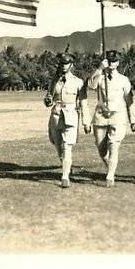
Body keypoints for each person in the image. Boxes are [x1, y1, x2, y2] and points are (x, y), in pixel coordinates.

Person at [86, 50, 135, 187]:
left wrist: (133, 119)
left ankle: (110, 175)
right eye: (109, 61)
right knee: (101, 147)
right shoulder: (101, 77)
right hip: (101, 115)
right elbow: (91, 86)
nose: (111, 64)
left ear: (118, 63)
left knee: (113, 145)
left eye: (114, 61)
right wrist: (99, 68)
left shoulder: (123, 80)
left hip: (117, 116)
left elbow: (129, 100)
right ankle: (111, 166)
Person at [43, 53, 88, 189]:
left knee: (67, 146)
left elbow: (84, 102)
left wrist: (86, 122)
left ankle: (65, 177)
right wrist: (48, 100)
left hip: (71, 115)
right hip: (56, 115)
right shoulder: (54, 80)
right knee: (58, 146)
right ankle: (67, 167)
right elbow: (48, 99)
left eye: (66, 64)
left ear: (71, 65)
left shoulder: (78, 82)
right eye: (62, 64)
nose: (64, 66)